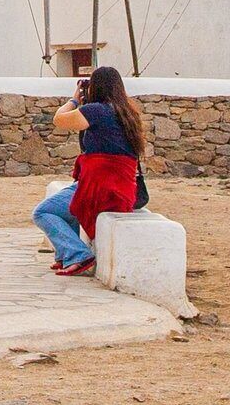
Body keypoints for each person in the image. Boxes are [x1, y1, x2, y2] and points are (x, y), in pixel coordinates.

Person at [31, 64, 149, 276]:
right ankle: (65, 255)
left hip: (99, 188)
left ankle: (78, 255)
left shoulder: (97, 111)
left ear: (95, 87)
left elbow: (59, 119)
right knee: (69, 206)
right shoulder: (128, 113)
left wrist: (75, 99)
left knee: (43, 212)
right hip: (120, 188)